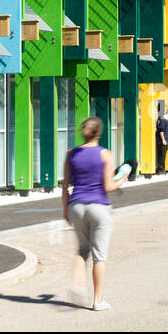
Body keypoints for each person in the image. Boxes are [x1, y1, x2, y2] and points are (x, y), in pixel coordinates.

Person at [61, 116, 122, 310]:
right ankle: (97, 300)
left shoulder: (71, 154)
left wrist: (65, 209)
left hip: (76, 206)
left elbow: (65, 185)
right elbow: (109, 186)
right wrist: (124, 178)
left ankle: (78, 285)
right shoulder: (105, 154)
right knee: (99, 256)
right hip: (99, 208)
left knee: (82, 249)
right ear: (99, 133)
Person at [154, 101, 168, 177]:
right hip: (162, 142)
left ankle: (162, 169)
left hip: (163, 141)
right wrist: (164, 140)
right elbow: (161, 131)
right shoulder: (163, 120)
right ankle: (160, 170)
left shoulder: (163, 119)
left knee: (163, 155)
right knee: (161, 156)